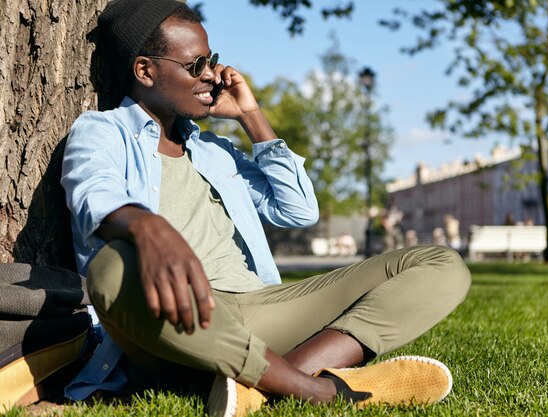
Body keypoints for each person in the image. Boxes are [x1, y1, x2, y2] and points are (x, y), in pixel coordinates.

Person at [61, 1, 472, 415]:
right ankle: (316, 389)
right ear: (146, 70)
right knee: (111, 268)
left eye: (212, 60)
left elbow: (298, 210)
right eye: (195, 64)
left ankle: (265, 384)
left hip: (260, 309)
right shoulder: (102, 132)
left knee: (441, 265)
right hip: (176, 319)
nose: (210, 74)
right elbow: (93, 194)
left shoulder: (214, 151)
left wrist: (250, 116)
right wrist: (148, 229)